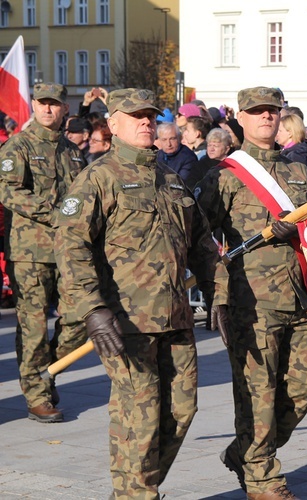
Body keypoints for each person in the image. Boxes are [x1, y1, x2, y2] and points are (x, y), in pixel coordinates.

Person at [54, 88, 229, 499]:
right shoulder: (99, 177)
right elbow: (71, 246)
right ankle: (136, 494)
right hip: (126, 321)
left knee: (182, 411)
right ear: (113, 125)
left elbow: (202, 244)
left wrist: (217, 294)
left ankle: (138, 485)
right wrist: (92, 309)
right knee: (140, 413)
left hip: (176, 317)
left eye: (151, 115)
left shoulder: (170, 180)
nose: (146, 122)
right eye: (136, 116)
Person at [196, 87, 307, 499]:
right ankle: (263, 478)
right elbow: (203, 241)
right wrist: (217, 294)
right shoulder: (223, 175)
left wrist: (303, 227)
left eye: (272, 111)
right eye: (257, 112)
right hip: (250, 300)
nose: (266, 117)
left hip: (298, 295)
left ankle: (246, 451)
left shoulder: (297, 171)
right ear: (242, 119)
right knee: (257, 392)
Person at [0, 83, 87, 423]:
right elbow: (9, 191)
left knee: (79, 319)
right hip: (30, 251)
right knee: (33, 327)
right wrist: (55, 213)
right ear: (34, 105)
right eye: (43, 103)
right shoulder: (17, 147)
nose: (49, 110)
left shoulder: (71, 151)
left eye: (55, 104)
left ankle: (44, 371)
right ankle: (37, 394)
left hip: (69, 250)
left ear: (66, 108)